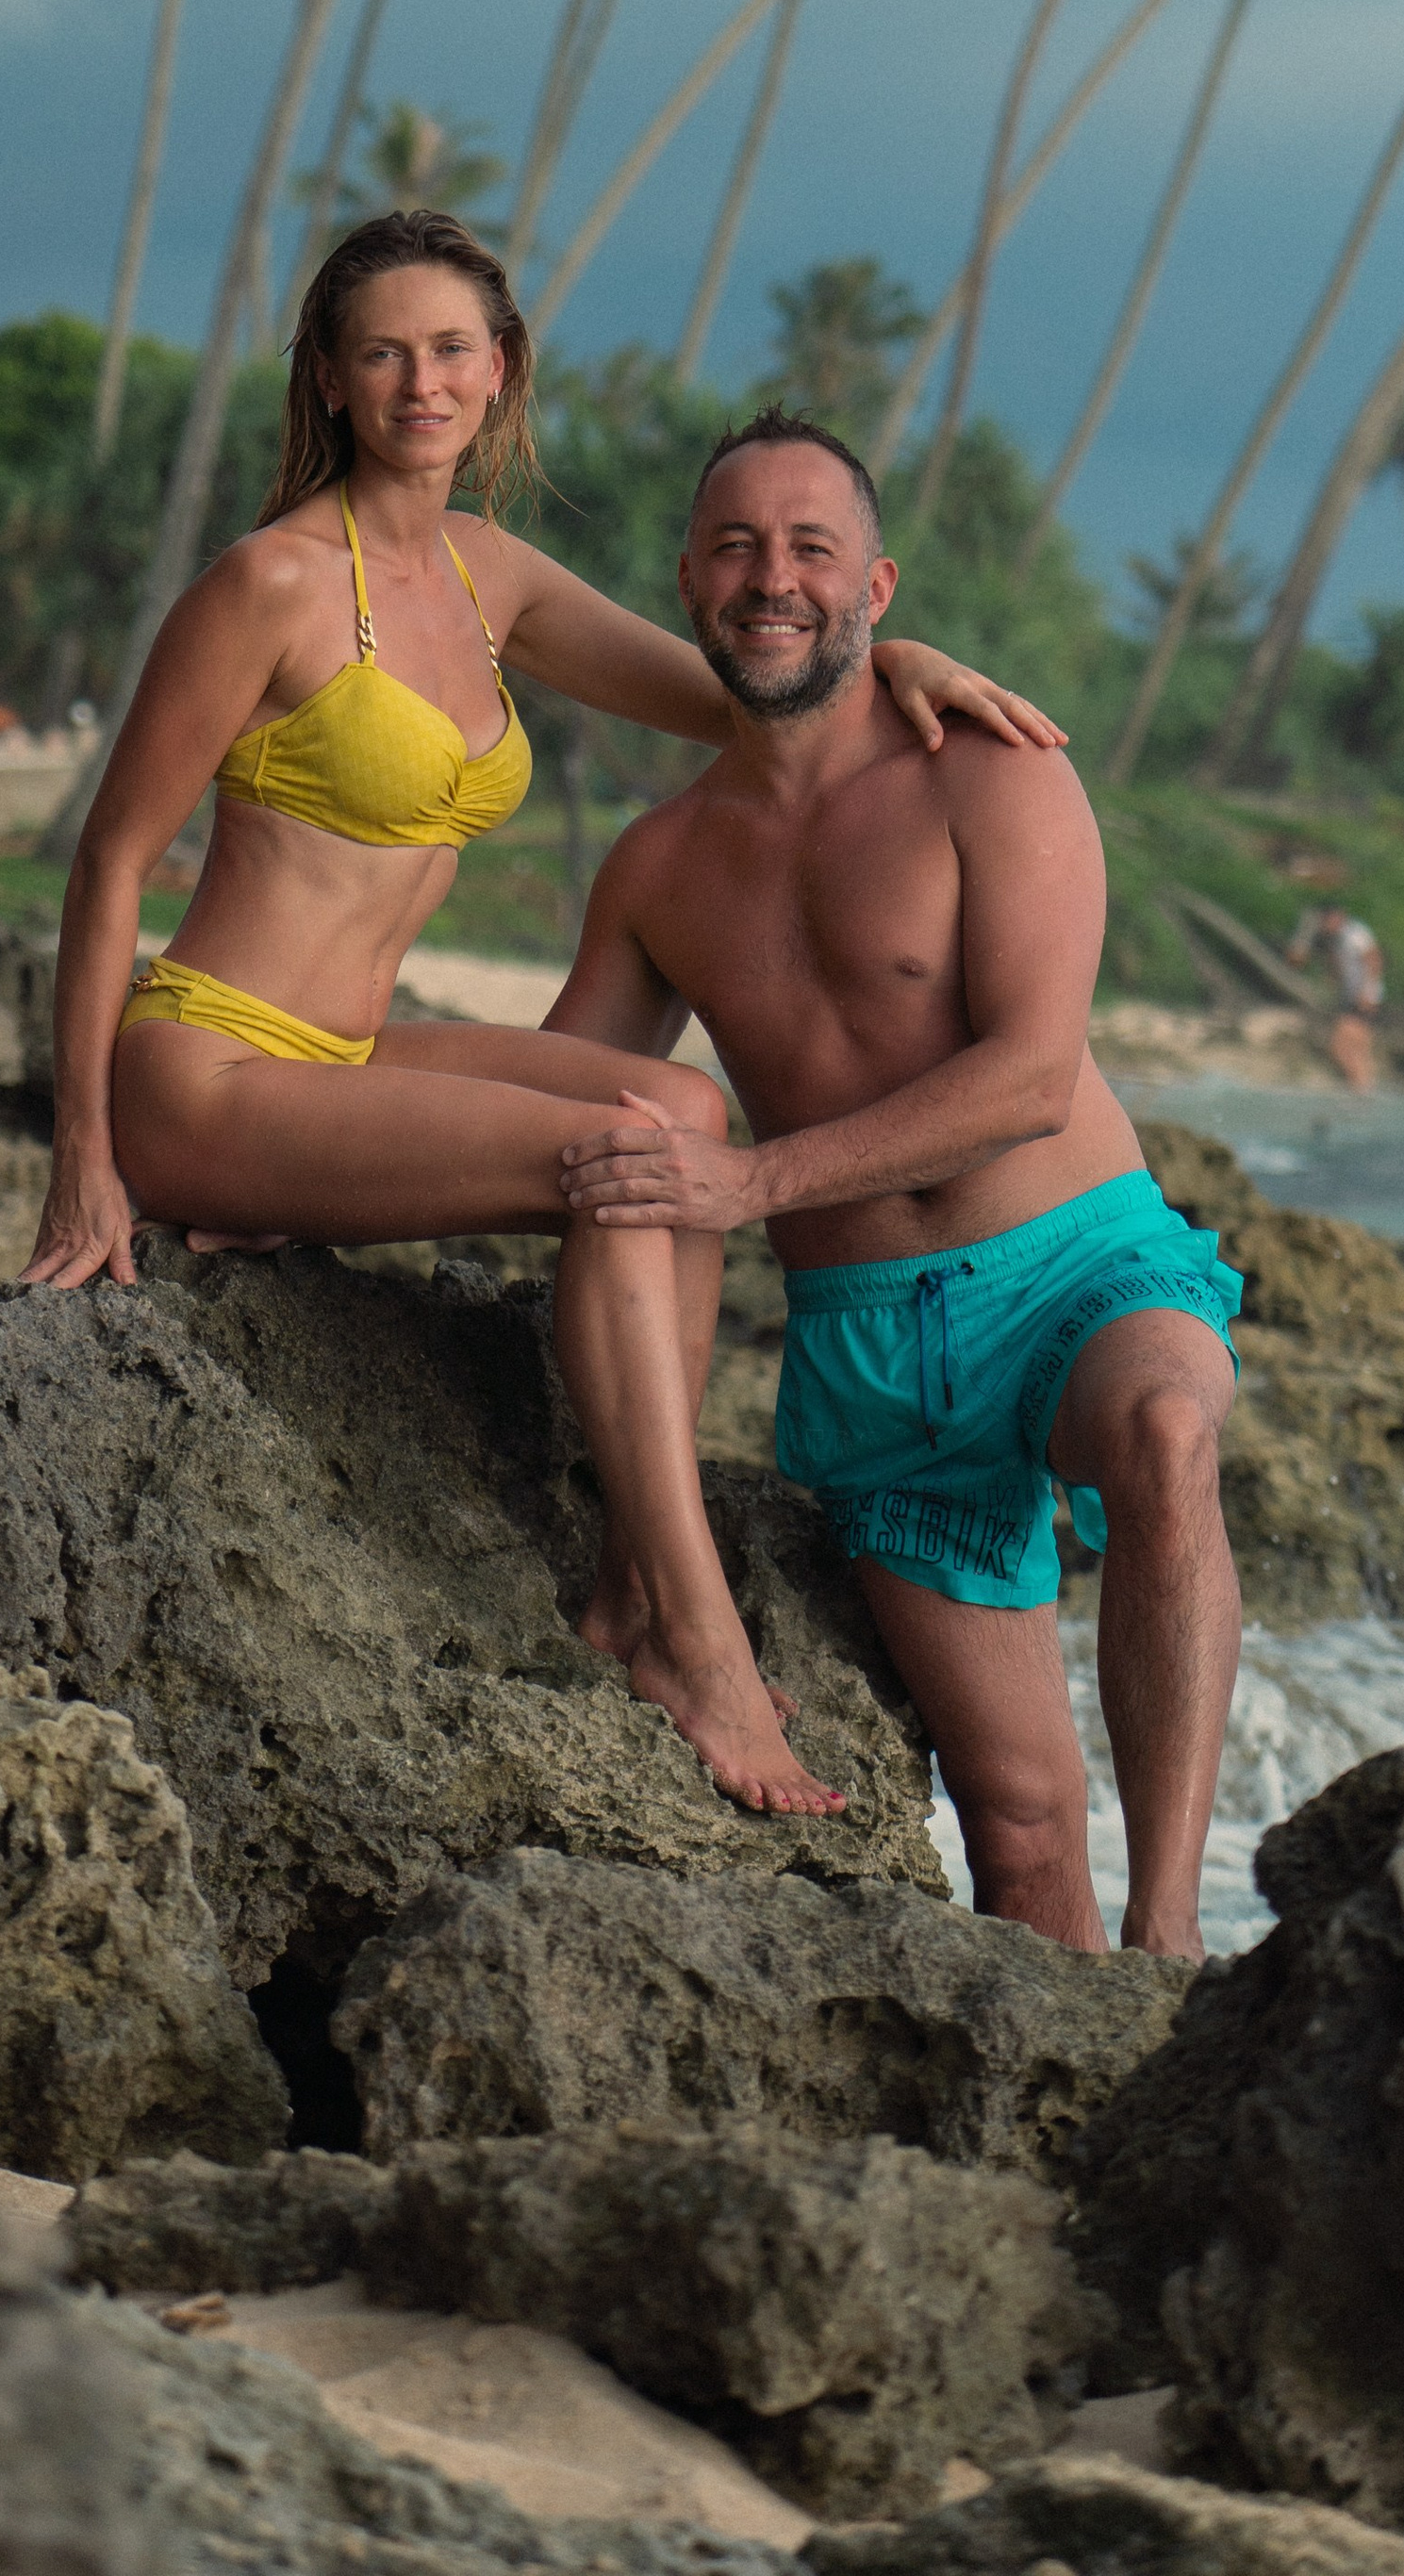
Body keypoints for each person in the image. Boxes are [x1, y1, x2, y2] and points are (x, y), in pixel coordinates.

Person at [22, 209, 1062, 1826]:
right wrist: (85, 1158)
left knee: (692, 1121)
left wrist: (895, 643)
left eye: (452, 349)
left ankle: (631, 1577)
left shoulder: (489, 576)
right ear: (334, 379)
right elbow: (110, 859)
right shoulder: (273, 582)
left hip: (347, 1065)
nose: (420, 381)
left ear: (500, 373)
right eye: (383, 351)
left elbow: (748, 678)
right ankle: (698, 1643)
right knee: (616, 1144)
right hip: (211, 1063)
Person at [542, 407, 1243, 1962]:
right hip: (871, 1351)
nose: (770, 576)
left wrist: (752, 1178)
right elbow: (556, 1103)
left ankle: (1179, 1933)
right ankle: (1085, 2116)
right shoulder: (659, 866)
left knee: (1164, 1432)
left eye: (809, 548)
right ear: (687, 582)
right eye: (735, 547)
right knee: (1016, 1829)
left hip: (1078, 1266)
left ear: (877, 584)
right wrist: (305, 1131)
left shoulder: (989, 773)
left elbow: (1030, 1079)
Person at [1290, 900, 1382, 1092]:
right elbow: (1296, 960)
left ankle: (1361, 1091)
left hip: (1363, 997)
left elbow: (1373, 959)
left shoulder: (1355, 933)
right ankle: (1364, 1091)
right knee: (1359, 1049)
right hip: (1351, 996)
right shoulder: (1332, 939)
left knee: (1340, 1046)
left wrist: (1367, 992)